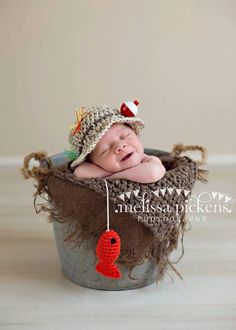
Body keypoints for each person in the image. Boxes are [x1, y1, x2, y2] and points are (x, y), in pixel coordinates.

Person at [66, 104, 166, 184]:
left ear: (134, 133)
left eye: (125, 136)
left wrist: (113, 176)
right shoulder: (95, 167)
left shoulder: (148, 159)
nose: (120, 146)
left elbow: (153, 173)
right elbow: (80, 173)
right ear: (92, 162)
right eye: (106, 150)